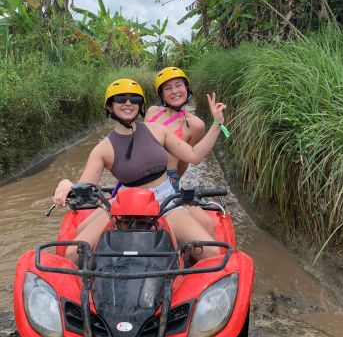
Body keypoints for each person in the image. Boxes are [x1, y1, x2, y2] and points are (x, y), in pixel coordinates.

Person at [53, 77, 227, 262]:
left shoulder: (158, 130)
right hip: (124, 205)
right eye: (121, 99)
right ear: (110, 106)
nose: (128, 103)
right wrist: (67, 183)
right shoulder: (102, 149)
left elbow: (194, 155)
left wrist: (217, 123)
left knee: (211, 252)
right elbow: (86, 185)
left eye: (134, 99)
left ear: (140, 105)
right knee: (73, 253)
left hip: (165, 201)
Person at [146, 66, 215, 234]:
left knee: (207, 224)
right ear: (161, 94)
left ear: (186, 88)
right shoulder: (152, 112)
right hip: (139, 180)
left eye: (178, 85)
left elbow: (186, 162)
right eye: (168, 88)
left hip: (168, 182)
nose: (175, 91)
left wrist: (171, 184)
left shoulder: (195, 125)